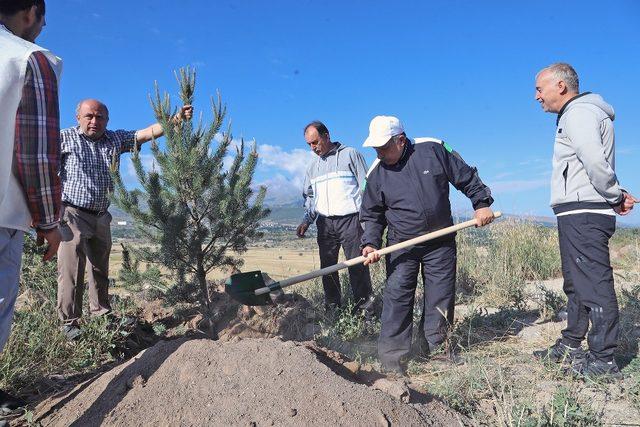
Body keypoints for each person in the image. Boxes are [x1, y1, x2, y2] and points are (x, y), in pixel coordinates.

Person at [359, 116, 495, 374]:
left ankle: (436, 350)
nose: (379, 153)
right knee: (397, 297)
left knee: (440, 296)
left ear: (400, 140)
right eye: (375, 148)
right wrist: (370, 243)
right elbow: (372, 214)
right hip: (402, 245)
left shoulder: (432, 149)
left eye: (384, 147)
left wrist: (481, 203)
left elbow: (465, 176)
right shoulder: (376, 173)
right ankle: (392, 360)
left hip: (441, 240)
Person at [532, 63, 636, 379]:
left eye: (540, 88)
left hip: (584, 212)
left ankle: (603, 362)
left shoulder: (579, 113)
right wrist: (615, 193)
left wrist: (613, 194)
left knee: (594, 284)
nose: (536, 97)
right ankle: (572, 343)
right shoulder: (576, 114)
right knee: (577, 284)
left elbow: (594, 159)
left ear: (561, 86)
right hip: (577, 210)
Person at [57, 99, 192, 339]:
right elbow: (45, 169)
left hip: (100, 215)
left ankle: (101, 314)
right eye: (89, 116)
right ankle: (69, 323)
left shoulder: (114, 139)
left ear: (107, 121)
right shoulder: (64, 138)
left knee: (99, 268)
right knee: (71, 270)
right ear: (78, 117)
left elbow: (144, 134)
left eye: (100, 117)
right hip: (71, 213)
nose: (94, 121)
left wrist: (176, 120)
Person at [0, 0, 61, 413]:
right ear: (31, 13)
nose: (40, 29)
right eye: (41, 21)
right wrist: (48, 222)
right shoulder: (30, 59)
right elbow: (36, 154)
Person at [296, 121, 374, 316]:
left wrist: (368, 222)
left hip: (351, 220)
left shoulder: (350, 155)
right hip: (325, 224)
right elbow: (311, 197)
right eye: (309, 145)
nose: (313, 148)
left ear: (327, 136)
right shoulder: (312, 166)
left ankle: (365, 313)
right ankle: (333, 310)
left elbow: (366, 189)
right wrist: (307, 220)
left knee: (357, 267)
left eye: (315, 142)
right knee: (327, 269)